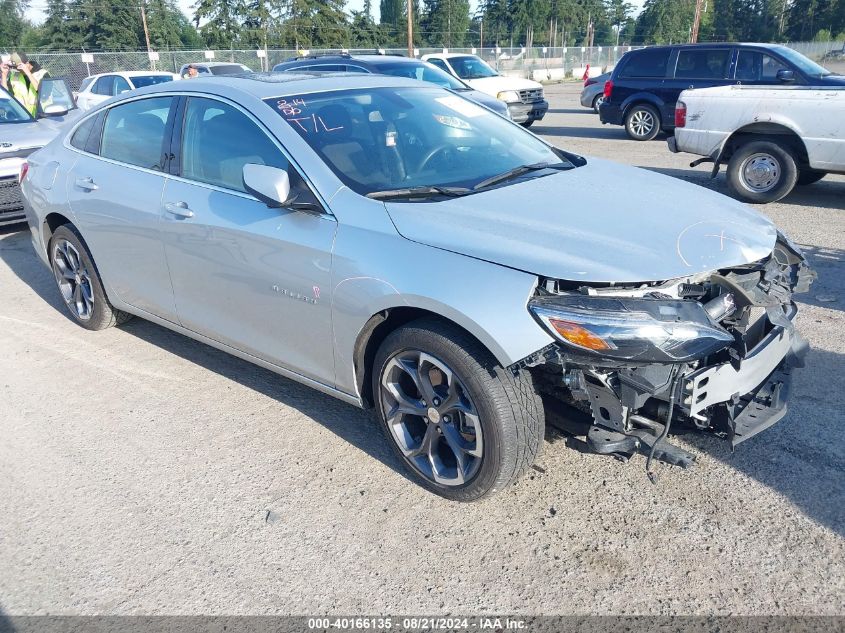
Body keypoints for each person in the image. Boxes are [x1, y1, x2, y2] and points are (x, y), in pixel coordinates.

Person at [0, 52, 48, 116]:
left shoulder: (43, 74)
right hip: (22, 117)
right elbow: (6, 94)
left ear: (27, 63)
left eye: (19, 67)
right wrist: (4, 74)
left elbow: (44, 93)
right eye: (15, 67)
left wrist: (28, 73)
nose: (18, 70)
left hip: (41, 116)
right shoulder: (15, 75)